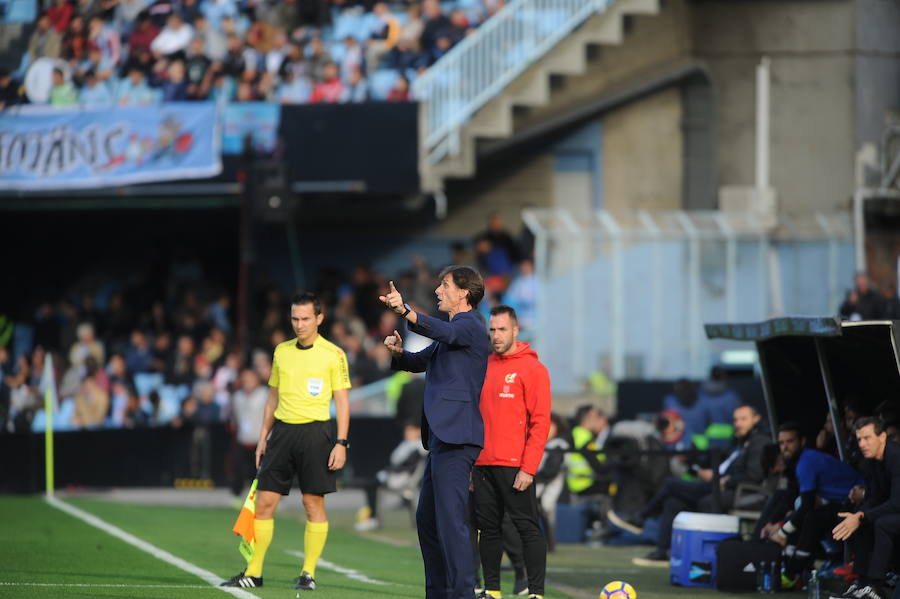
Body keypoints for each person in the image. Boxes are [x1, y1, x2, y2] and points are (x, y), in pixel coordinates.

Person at [221, 292, 351, 590]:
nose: (300, 324)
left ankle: (308, 573)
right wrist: (263, 438)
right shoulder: (281, 351)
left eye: (306, 318)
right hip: (281, 434)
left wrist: (341, 443)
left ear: (320, 318)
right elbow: (272, 398)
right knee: (264, 503)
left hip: (316, 434)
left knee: (312, 504)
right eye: (295, 318)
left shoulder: (334, 354)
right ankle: (253, 572)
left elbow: (342, 403)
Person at [382, 266, 490, 599]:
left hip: (457, 438)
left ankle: (462, 594)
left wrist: (406, 311)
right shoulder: (451, 334)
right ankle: (439, 592)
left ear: (464, 293)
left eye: (444, 286)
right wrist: (399, 354)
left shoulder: (470, 326)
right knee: (428, 521)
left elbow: (443, 333)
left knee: (451, 523)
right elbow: (420, 360)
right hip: (443, 439)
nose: (438, 291)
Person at [609, 404, 769, 566]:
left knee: (671, 485)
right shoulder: (739, 442)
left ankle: (641, 518)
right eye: (735, 419)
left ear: (756, 419)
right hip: (716, 485)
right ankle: (662, 552)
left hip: (732, 491)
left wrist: (724, 480)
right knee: (673, 502)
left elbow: (754, 475)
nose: (738, 423)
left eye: (743, 419)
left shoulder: (759, 442)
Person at [473, 305, 550, 599]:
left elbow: (541, 423)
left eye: (502, 329)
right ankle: (492, 590)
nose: (495, 335)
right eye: (492, 330)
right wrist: (472, 463)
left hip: (516, 465)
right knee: (489, 530)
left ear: (515, 331)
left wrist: (529, 467)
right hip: (482, 464)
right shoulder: (483, 364)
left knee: (527, 528)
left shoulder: (533, 369)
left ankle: (536, 593)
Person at [770, 422, 863, 588]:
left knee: (811, 516)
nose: (785, 447)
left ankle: (792, 573)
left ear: (802, 441)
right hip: (842, 503)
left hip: (859, 504)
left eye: (790, 441)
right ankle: (817, 562)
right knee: (805, 513)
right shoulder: (805, 460)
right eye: (782, 443)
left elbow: (806, 505)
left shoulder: (807, 461)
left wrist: (782, 532)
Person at [830, 418, 900, 599]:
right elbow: (873, 498)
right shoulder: (870, 460)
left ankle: (875, 587)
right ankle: (861, 583)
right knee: (858, 521)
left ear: (882, 436)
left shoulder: (896, 456)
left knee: (882, 523)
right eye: (859, 439)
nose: (862, 444)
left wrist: (862, 515)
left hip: (897, 508)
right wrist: (856, 516)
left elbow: (897, 502)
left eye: (867, 438)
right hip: (894, 509)